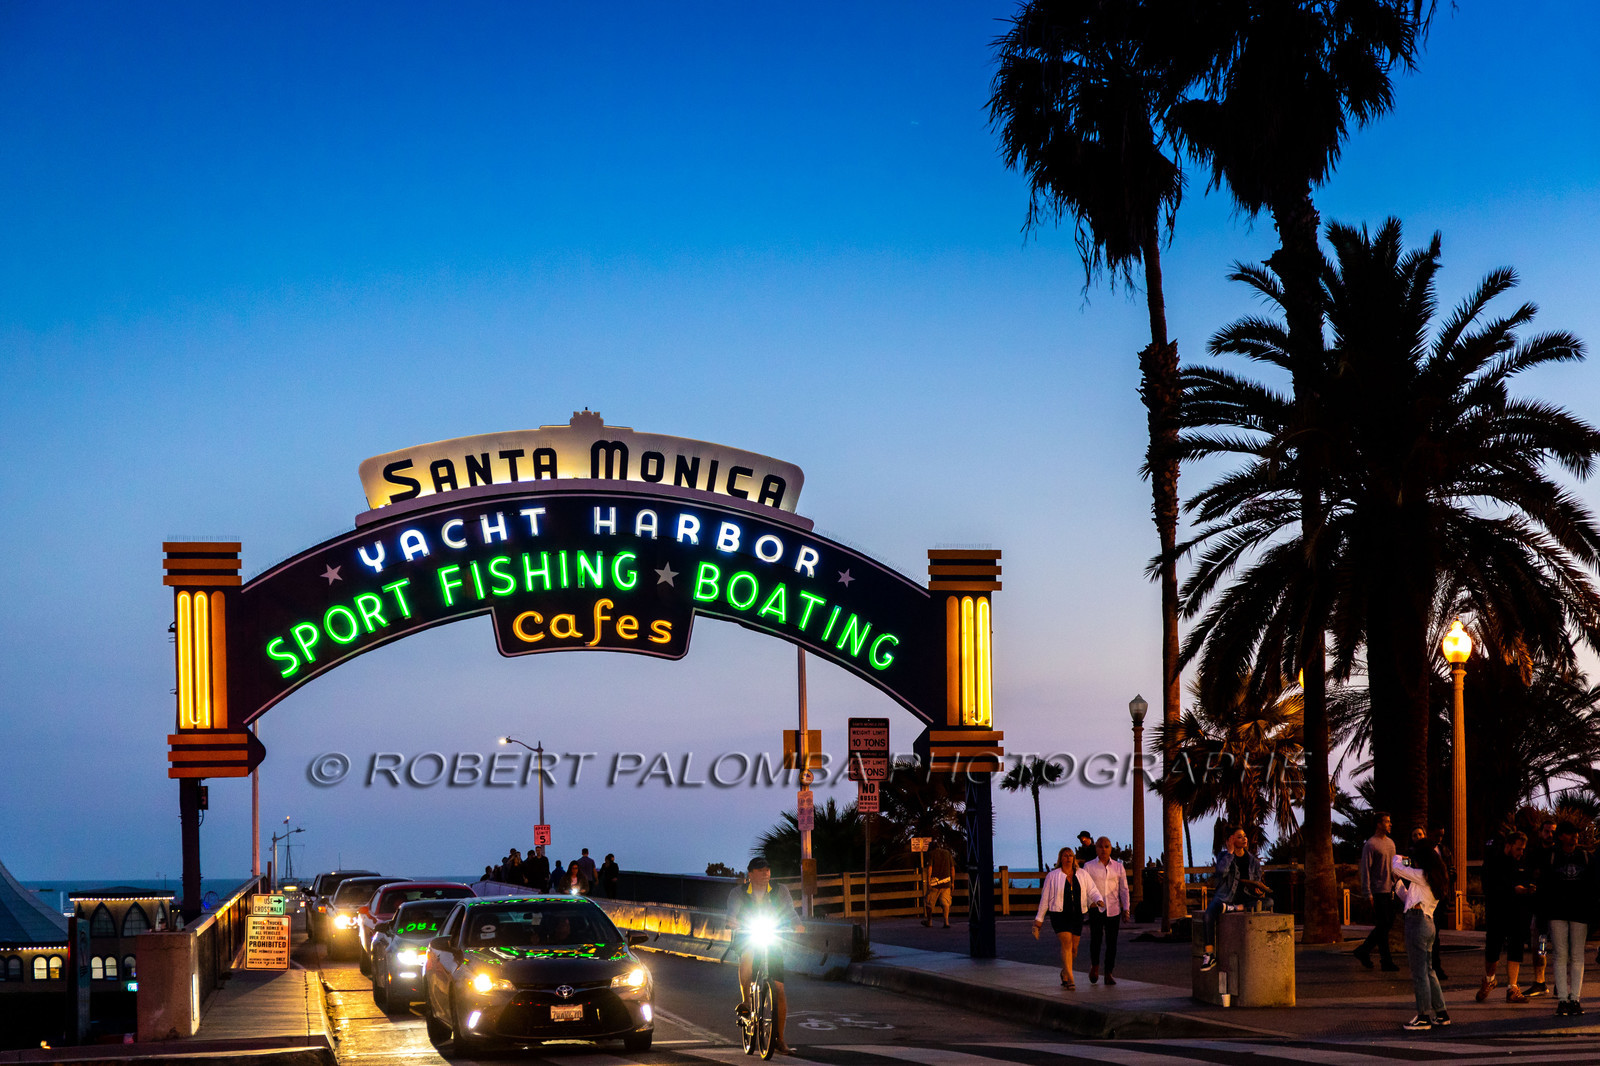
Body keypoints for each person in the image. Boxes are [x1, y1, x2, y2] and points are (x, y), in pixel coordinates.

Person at [728, 857, 803, 1056]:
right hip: (748, 935)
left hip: (773, 936)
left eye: (767, 870)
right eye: (760, 871)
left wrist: (797, 925)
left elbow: (790, 911)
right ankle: (746, 1002)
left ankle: (779, 1039)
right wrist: (732, 922)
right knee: (748, 956)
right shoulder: (738, 893)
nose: (765, 874)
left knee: (779, 988)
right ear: (750, 874)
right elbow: (732, 914)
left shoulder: (780, 891)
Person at [1393, 830, 1450, 1031]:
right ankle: (1441, 1013)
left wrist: (1400, 857)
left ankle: (1424, 1016)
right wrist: (1398, 886)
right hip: (1426, 922)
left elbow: (1396, 865)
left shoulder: (1422, 874)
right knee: (1428, 970)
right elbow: (1409, 899)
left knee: (1419, 973)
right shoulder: (1431, 877)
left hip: (1417, 924)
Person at [1540, 821, 1594, 1017]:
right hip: (1559, 911)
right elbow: (1543, 885)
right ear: (1561, 836)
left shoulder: (1586, 856)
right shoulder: (1552, 856)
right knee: (1563, 955)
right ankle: (1564, 998)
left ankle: (1574, 998)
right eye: (1570, 834)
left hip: (1578, 911)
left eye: (1576, 834)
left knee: (1575, 956)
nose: (1575, 837)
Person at [1031, 846, 1104, 990]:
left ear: (1074, 858)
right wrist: (1038, 922)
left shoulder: (1082, 874)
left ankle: (1065, 971)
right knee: (1067, 943)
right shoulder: (1052, 876)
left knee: (1074, 949)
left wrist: (1098, 899)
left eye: (1070, 855)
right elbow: (1045, 899)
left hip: (1077, 914)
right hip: (1059, 914)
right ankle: (1070, 978)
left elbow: (1092, 890)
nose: (1068, 858)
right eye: (1065, 855)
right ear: (1060, 859)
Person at [1198, 828, 1269, 972]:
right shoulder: (1223, 856)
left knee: (1269, 902)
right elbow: (1220, 872)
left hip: (1245, 897)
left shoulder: (1253, 861)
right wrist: (1230, 853)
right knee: (1208, 915)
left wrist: (1257, 888)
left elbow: (1256, 880)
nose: (1244, 839)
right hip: (1225, 896)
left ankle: (1234, 909)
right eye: (1239, 836)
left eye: (1245, 836)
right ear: (1231, 840)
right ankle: (1209, 954)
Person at [1477, 830, 1535, 1004]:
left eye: (1523, 849)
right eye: (1518, 849)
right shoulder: (1493, 862)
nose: (1521, 853)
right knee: (1493, 948)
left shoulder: (1523, 862)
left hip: (1517, 912)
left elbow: (1527, 880)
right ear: (1508, 846)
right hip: (1497, 911)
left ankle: (1513, 987)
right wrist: (1512, 890)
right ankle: (1489, 980)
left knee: (1516, 947)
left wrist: (1528, 889)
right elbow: (1488, 887)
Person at [1354, 812, 1401, 972]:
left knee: (1385, 924)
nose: (1390, 824)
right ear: (1379, 824)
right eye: (1387, 822)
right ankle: (1384, 960)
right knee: (1384, 924)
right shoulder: (1371, 845)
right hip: (1378, 890)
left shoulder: (1391, 843)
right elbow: (1365, 870)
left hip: (1390, 890)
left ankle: (1364, 951)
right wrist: (1367, 893)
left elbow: (1394, 866)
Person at [1082, 836, 1130, 986]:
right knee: (1096, 940)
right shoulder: (1089, 867)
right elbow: (1085, 888)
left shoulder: (1118, 867)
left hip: (1114, 909)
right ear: (1096, 848)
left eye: (1107, 846)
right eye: (1101, 846)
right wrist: (1088, 904)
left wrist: (1126, 909)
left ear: (1111, 849)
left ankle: (1109, 972)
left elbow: (1124, 889)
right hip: (1096, 909)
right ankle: (1095, 966)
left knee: (1112, 942)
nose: (1104, 849)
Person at [1524, 818, 1558, 997]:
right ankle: (1540, 981)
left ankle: (1560, 983)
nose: (1549, 834)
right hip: (1541, 911)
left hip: (1558, 911)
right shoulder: (1534, 854)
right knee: (1540, 946)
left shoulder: (1560, 854)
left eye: (1552, 831)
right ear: (1540, 832)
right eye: (1546, 831)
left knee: (1560, 949)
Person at [922, 844, 954, 928]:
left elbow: (930, 868)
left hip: (934, 883)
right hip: (946, 882)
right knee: (945, 903)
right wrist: (952, 882)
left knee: (929, 903)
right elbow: (952, 868)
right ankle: (946, 922)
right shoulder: (947, 853)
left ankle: (929, 922)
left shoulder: (932, 854)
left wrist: (928, 881)